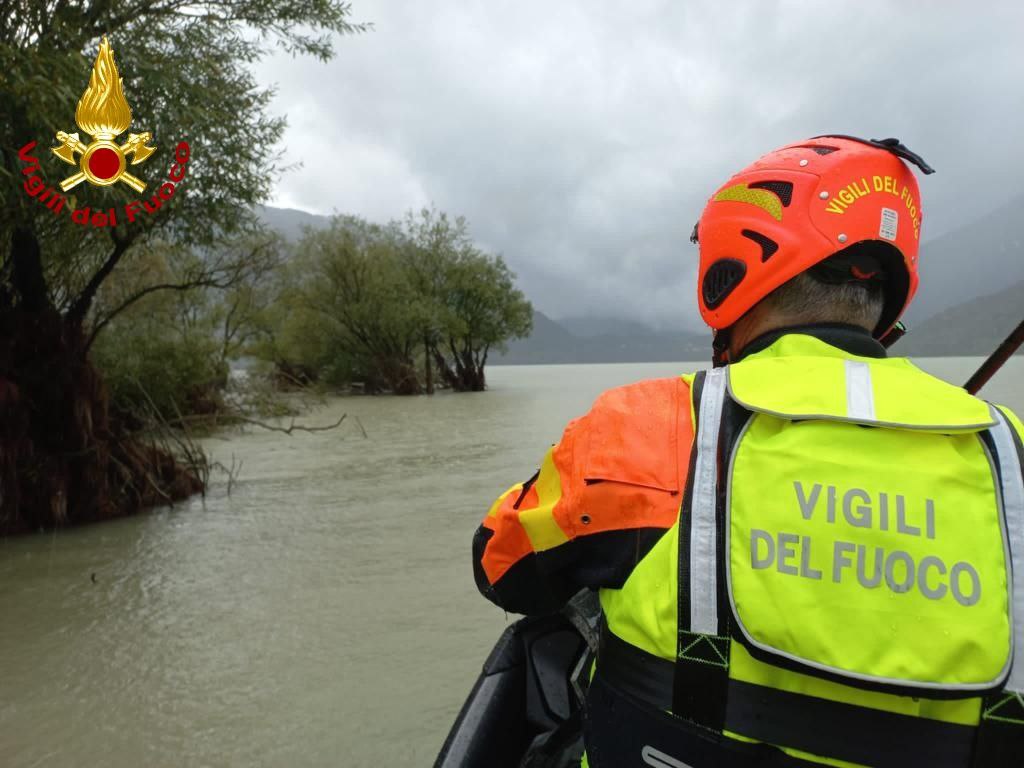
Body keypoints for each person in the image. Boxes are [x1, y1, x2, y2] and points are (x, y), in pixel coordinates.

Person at [472, 135, 1024, 767]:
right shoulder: (1012, 450)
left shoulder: (643, 426)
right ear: (886, 290)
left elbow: (498, 562)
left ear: (729, 272)